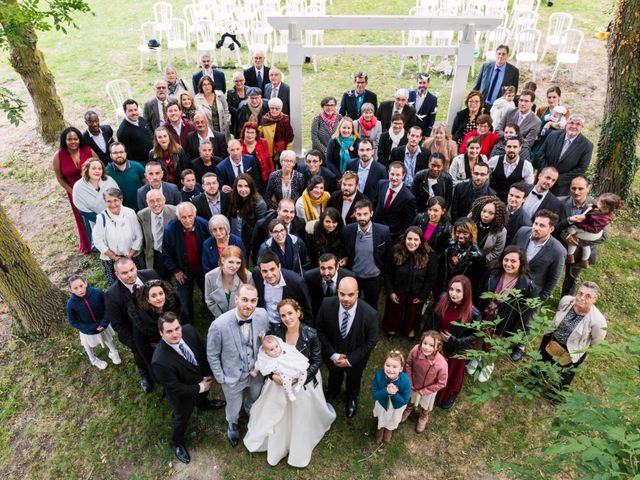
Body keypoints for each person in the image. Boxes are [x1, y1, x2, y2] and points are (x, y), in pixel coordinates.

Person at [243, 299, 336, 467]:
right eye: (283, 315)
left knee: (300, 409)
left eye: (290, 313)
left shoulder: (311, 334)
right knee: (275, 408)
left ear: (298, 312)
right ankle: (278, 441)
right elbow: (265, 358)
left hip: (302, 379)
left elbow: (316, 361)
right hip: (279, 379)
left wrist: (300, 379)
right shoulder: (276, 333)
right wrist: (272, 377)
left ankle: (298, 442)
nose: (287, 318)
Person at [152, 312, 226, 464]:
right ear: (161, 333)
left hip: (202, 376)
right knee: (181, 418)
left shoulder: (189, 330)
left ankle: (203, 404)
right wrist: (200, 387)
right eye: (169, 331)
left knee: (202, 397)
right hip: (182, 396)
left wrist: (209, 371)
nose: (175, 334)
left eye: (177, 328)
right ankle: (176, 443)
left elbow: (204, 347)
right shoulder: (160, 361)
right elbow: (175, 388)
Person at [206, 283, 270, 446]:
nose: (249, 305)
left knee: (254, 397)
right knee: (233, 406)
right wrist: (221, 378)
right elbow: (212, 354)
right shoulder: (219, 325)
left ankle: (249, 409)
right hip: (232, 377)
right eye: (244, 300)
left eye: (253, 301)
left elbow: (266, 338)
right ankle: (232, 424)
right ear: (236, 299)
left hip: (256, 373)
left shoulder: (262, 315)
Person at [316, 277, 379, 417]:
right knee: (334, 375)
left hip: (355, 359)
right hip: (333, 355)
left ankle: (351, 397)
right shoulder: (326, 304)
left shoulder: (370, 314)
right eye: (342, 294)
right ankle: (333, 391)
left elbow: (371, 341)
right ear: (337, 292)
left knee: (354, 379)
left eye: (350, 294)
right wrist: (332, 354)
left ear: (357, 293)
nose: (346, 299)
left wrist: (350, 360)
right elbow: (320, 330)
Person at [475, 246, 538, 373]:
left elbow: (525, 315)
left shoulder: (527, 286)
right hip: (485, 314)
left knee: (495, 343)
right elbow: (479, 290)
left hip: (505, 321)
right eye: (506, 259)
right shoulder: (492, 272)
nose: (508, 264)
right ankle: (476, 356)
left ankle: (488, 363)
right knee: (480, 336)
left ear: (521, 263)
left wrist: (514, 332)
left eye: (513, 261)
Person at [539, 282, 607, 393]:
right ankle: (536, 379)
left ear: (594, 299)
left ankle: (557, 394)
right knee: (542, 359)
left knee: (565, 375)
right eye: (580, 293)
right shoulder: (566, 301)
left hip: (573, 349)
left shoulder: (598, 321)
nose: (581, 298)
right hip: (552, 338)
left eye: (588, 296)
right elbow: (558, 314)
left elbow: (596, 341)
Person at [104, 258, 160, 392]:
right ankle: (145, 373)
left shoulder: (151, 275)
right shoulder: (112, 296)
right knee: (142, 357)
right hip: (137, 334)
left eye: (132, 270)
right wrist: (141, 344)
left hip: (159, 324)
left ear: (136, 266)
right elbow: (119, 325)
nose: (130, 275)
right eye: (124, 273)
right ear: (117, 275)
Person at [427, 275, 480, 409]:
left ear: (466, 293)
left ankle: (449, 394)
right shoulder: (442, 299)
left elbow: (474, 336)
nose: (453, 294)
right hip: (437, 344)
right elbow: (432, 320)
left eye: (458, 291)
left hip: (455, 350)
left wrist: (453, 340)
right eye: (451, 289)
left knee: (451, 375)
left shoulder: (473, 314)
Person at [382, 227, 437, 339]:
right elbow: (387, 273)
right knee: (394, 310)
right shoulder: (395, 250)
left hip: (417, 291)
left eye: (416, 240)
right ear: (405, 239)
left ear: (421, 241)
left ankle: (409, 329)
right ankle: (391, 328)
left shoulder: (429, 254)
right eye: (409, 239)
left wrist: (422, 295)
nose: (412, 242)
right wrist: (390, 291)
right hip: (398, 289)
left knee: (412, 312)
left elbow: (431, 278)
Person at [162, 202, 210, 324]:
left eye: (190, 216)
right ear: (178, 217)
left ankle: (208, 311)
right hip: (183, 269)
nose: (188, 220)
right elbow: (166, 254)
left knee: (208, 293)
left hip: (203, 268)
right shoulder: (170, 230)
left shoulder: (204, 225)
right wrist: (176, 270)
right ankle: (189, 325)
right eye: (183, 217)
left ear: (195, 215)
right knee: (184, 301)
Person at [52, 126, 98, 253]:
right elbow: (60, 178)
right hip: (73, 192)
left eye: (75, 139)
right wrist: (73, 192)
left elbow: (100, 167)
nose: (73, 142)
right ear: (64, 141)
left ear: (79, 139)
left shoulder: (88, 151)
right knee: (81, 217)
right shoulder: (59, 156)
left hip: (92, 190)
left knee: (96, 214)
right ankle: (88, 243)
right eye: (69, 139)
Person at [129, 280, 185, 381]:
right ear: (148, 299)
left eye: (161, 293)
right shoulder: (141, 320)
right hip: (158, 349)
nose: (159, 298)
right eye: (154, 296)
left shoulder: (173, 305)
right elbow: (142, 347)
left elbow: (184, 323)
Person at [342, 199, 391, 308]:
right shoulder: (347, 230)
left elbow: (388, 256)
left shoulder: (383, 231)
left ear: (371, 213)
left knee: (371, 305)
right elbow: (345, 250)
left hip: (373, 277)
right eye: (359, 214)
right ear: (354, 214)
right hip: (354, 276)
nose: (362, 217)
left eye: (365, 214)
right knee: (352, 304)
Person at [66, 274, 121, 370]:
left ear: (85, 283)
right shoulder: (71, 304)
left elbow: (108, 307)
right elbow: (72, 321)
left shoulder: (98, 292)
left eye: (81, 286)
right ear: (70, 290)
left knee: (107, 338)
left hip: (103, 324)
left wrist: (104, 323)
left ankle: (113, 352)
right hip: (87, 330)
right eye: (75, 288)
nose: (80, 290)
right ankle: (93, 359)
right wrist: (90, 328)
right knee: (87, 345)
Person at [512, 209, 566, 302]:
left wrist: (541, 298)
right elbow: (510, 253)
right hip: (510, 284)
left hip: (531, 295)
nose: (536, 228)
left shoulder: (558, 251)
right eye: (535, 223)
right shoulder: (522, 232)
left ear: (551, 229)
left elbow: (554, 278)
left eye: (542, 226)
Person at [92, 188, 144, 286]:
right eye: (109, 201)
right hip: (111, 260)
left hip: (133, 256)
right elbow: (97, 241)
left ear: (121, 200)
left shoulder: (130, 213)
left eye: (115, 200)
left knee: (138, 283)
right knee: (117, 287)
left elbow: (139, 236)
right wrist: (114, 257)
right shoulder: (101, 218)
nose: (112, 204)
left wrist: (129, 256)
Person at [536, 115, 594, 197]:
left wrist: (556, 179)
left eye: (578, 124)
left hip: (561, 187)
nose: (574, 126)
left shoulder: (587, 145)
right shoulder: (553, 135)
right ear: (566, 124)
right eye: (571, 123)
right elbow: (540, 154)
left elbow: (581, 169)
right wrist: (546, 174)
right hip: (543, 181)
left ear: (582, 127)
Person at [401, 331, 448, 433]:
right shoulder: (415, 351)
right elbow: (409, 364)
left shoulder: (441, 364)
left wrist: (425, 391)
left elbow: (442, 383)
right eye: (425, 343)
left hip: (429, 390)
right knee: (411, 400)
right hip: (414, 384)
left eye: (431, 345)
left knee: (426, 406)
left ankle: (424, 416)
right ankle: (408, 409)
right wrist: (410, 380)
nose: (426, 347)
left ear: (438, 347)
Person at [559, 177, 599, 296]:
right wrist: (563, 234)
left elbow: (602, 236)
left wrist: (580, 240)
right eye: (573, 188)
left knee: (571, 278)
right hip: (560, 244)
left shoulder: (597, 207)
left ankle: (565, 302)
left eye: (580, 189)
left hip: (581, 249)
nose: (576, 192)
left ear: (588, 188)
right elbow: (553, 225)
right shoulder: (560, 202)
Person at [252, 251, 313, 325]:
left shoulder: (296, 282)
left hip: (287, 326)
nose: (269, 275)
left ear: (279, 266)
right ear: (260, 270)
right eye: (264, 271)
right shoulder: (256, 274)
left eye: (272, 269)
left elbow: (307, 311)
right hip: (265, 324)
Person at [562, 193, 623, 267]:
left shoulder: (602, 218)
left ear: (606, 208)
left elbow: (593, 229)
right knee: (586, 245)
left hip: (591, 233)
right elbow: (597, 207)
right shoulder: (603, 211)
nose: (597, 203)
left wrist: (580, 224)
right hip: (592, 231)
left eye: (600, 203)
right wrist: (593, 206)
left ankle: (570, 256)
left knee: (573, 235)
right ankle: (584, 261)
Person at [72, 158, 119, 242]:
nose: (97, 171)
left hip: (115, 217)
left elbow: (118, 197)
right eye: (93, 168)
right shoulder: (78, 187)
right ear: (87, 169)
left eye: (99, 168)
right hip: (94, 221)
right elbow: (82, 209)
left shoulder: (109, 181)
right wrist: (103, 220)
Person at [251, 335, 308, 402]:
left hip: (291, 369)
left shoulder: (284, 351)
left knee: (303, 371)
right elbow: (259, 364)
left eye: (277, 346)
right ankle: (289, 393)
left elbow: (292, 355)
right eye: (271, 349)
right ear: (266, 352)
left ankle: (299, 385)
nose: (275, 350)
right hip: (283, 373)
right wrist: (255, 371)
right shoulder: (267, 358)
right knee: (286, 380)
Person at [371, 350, 411, 444]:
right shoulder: (379, 375)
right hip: (383, 405)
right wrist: (386, 391)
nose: (390, 369)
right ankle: (380, 432)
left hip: (396, 408)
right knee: (382, 419)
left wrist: (394, 394)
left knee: (391, 421)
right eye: (387, 365)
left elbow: (405, 400)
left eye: (394, 367)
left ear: (401, 369)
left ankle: (388, 432)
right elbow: (374, 394)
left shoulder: (405, 380)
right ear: (384, 365)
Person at [204, 245, 254, 318]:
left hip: (242, 317)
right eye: (231, 262)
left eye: (238, 263)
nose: (234, 266)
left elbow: (251, 300)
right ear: (223, 260)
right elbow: (210, 301)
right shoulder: (210, 277)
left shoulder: (248, 276)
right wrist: (222, 318)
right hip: (220, 318)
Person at [137, 189, 176, 279]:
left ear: (164, 200)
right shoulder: (142, 215)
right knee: (159, 279)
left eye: (158, 200)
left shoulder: (174, 212)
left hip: (171, 251)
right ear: (147, 202)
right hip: (155, 252)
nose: (155, 204)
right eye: (151, 201)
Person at [227, 173, 268, 258]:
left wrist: (254, 246)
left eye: (246, 186)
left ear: (251, 187)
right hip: (235, 237)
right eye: (240, 186)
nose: (243, 189)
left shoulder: (259, 204)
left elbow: (261, 228)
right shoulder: (233, 198)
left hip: (250, 241)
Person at [373, 161, 417, 240]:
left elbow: (407, 223)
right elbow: (374, 204)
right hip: (375, 229)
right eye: (392, 174)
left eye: (398, 175)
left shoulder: (409, 197)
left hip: (393, 236)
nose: (394, 178)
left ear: (403, 175)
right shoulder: (381, 184)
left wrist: (400, 239)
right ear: (388, 173)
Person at [304, 253, 355, 318]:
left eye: (330, 268)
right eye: (322, 268)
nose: (326, 273)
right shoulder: (310, 277)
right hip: (318, 315)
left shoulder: (349, 277)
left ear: (337, 267)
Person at [487, 136, 535, 203]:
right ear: (505, 147)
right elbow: (484, 176)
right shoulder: (495, 160)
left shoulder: (526, 166)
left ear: (520, 148)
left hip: (511, 202)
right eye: (509, 146)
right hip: (491, 199)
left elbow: (529, 187)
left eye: (515, 147)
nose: (511, 150)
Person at [441, 218, 483, 290]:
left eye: (465, 233)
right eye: (458, 232)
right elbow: (442, 267)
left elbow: (476, 280)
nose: (461, 236)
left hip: (461, 289)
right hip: (445, 286)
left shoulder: (477, 255)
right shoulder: (448, 245)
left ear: (471, 234)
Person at [346, 138, 387, 205]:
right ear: (358, 151)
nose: (365, 153)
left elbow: (382, 194)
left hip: (369, 206)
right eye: (362, 150)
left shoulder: (381, 170)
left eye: (368, 150)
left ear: (373, 151)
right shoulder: (350, 164)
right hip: (350, 203)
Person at [469, 195, 508, 266]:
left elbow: (497, 253)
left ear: (496, 215)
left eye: (491, 213)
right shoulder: (472, 218)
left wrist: (481, 259)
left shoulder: (501, 231)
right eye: (484, 211)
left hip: (480, 264)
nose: (485, 215)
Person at [106, 142, 145, 211]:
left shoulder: (137, 166)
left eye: (121, 152)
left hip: (141, 207)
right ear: (111, 155)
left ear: (125, 153)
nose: (119, 155)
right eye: (115, 153)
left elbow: (147, 184)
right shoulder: (107, 172)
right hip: (122, 210)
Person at [116, 99, 154, 164]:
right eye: (130, 111)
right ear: (125, 112)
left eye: (135, 110)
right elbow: (127, 154)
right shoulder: (123, 131)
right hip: (141, 163)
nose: (134, 113)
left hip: (152, 156)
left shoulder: (141, 119)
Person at [194, 75, 231, 140]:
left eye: (209, 84)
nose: (207, 86)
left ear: (212, 85)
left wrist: (227, 122)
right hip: (208, 130)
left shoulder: (220, 95)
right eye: (204, 85)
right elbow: (197, 115)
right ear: (201, 87)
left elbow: (226, 110)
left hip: (223, 128)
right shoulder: (197, 99)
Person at [259, 98, 294, 166]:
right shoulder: (264, 119)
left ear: (281, 109)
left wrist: (287, 153)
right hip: (268, 152)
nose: (274, 111)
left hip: (282, 152)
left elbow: (290, 138)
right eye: (272, 108)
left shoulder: (285, 120)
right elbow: (259, 134)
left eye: (277, 109)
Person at [240, 121, 274, 188]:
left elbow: (269, 161)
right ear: (244, 133)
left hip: (262, 179)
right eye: (247, 132)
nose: (249, 135)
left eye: (252, 132)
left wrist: (272, 178)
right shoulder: (238, 144)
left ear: (256, 134)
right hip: (245, 182)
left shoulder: (263, 142)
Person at [409, 73, 438, 137]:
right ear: (417, 83)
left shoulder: (433, 99)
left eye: (424, 83)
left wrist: (426, 135)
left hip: (421, 134)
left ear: (428, 84)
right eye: (420, 83)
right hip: (408, 131)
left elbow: (431, 119)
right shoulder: (410, 94)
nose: (422, 85)